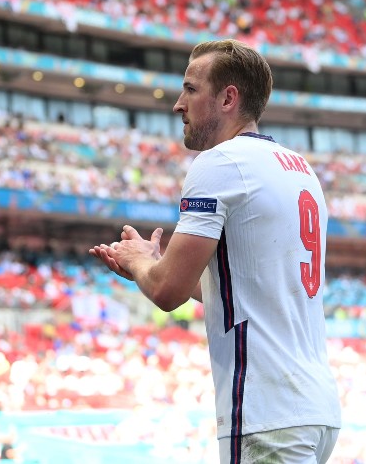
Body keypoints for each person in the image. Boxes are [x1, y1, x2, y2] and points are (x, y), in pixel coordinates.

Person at [90, 39, 341, 463]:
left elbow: (168, 292)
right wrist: (156, 262)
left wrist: (141, 264)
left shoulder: (220, 163)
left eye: (190, 89)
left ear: (228, 98)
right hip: (316, 411)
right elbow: (239, 287)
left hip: (265, 411)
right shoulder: (300, 169)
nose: (177, 104)